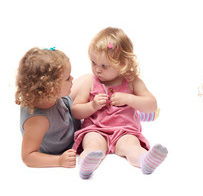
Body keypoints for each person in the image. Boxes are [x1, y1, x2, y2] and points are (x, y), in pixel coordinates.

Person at [72, 27, 167, 179]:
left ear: (122, 63)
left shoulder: (132, 82)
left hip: (125, 131)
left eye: (104, 66)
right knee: (93, 145)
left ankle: (145, 160)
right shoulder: (89, 82)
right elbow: (75, 111)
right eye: (93, 62)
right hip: (96, 129)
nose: (97, 70)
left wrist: (129, 98)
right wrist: (92, 106)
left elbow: (152, 105)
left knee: (131, 146)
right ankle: (86, 165)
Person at [16, 47, 80, 168]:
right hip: (69, 138)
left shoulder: (43, 95)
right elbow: (28, 156)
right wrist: (59, 161)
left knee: (88, 79)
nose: (72, 79)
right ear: (50, 89)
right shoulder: (37, 121)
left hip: (67, 114)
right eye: (67, 78)